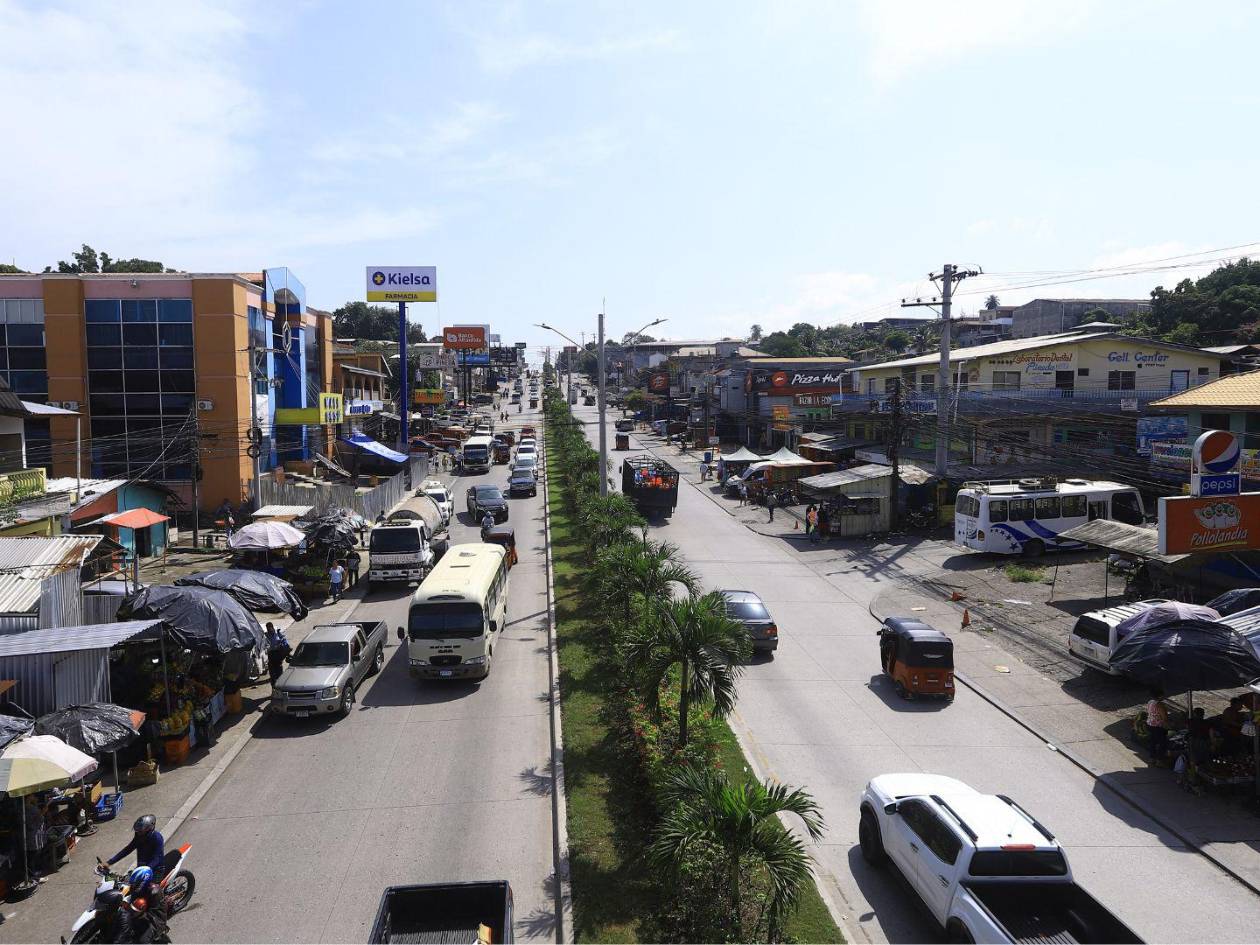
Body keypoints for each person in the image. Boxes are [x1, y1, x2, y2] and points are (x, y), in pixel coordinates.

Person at [1146, 689, 1169, 764]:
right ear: (1160, 696)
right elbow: (1164, 717)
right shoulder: (1160, 705)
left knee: (1153, 742)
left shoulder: (1150, 702)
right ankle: (1159, 760)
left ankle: (1151, 758)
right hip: (1158, 726)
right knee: (1162, 743)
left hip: (1150, 724)